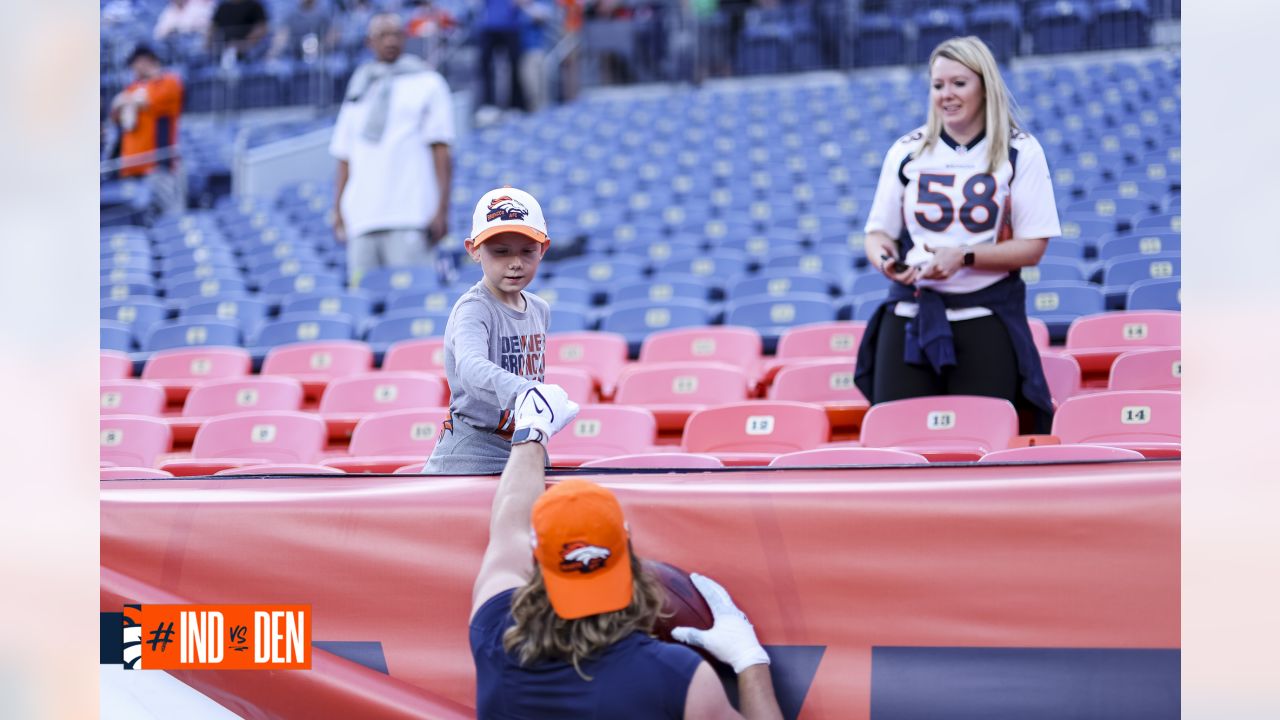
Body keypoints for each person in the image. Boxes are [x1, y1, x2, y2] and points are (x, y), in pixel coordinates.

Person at [470, 384, 784, 719]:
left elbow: (509, 525)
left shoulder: (495, 636)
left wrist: (532, 432)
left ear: (537, 560)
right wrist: (751, 662)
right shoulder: (675, 676)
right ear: (627, 543)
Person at [854, 36, 1060, 433]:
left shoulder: (1021, 150)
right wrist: (888, 263)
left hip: (985, 316)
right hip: (911, 316)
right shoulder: (906, 151)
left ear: (985, 84)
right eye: (937, 85)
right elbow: (878, 233)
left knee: (982, 440)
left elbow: (1033, 247)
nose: (946, 94)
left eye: (958, 83)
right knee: (897, 442)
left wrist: (963, 256)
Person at [424, 187, 554, 475]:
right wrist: (528, 392)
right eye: (501, 252)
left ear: (543, 249)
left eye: (527, 251)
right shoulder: (474, 307)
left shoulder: (539, 309)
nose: (515, 262)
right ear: (474, 250)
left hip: (522, 443)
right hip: (472, 452)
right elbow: (471, 369)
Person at [329, 13, 454, 288]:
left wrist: (441, 210)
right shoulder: (357, 91)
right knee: (364, 302)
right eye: (382, 35)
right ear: (369, 41)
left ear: (405, 38)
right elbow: (344, 157)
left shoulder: (428, 83)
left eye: (396, 34)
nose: (390, 41)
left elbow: (442, 150)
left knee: (413, 302)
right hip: (362, 218)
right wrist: (338, 210)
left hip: (409, 213)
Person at [109, 45, 185, 216]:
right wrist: (126, 101)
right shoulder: (133, 87)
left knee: (169, 213)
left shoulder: (169, 82)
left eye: (138, 63)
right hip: (132, 165)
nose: (135, 69)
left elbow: (148, 100)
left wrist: (129, 100)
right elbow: (116, 113)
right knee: (137, 219)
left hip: (158, 162)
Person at [476, 0, 528, 117]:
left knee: (515, 67)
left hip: (511, 26)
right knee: (485, 68)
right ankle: (488, 105)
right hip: (488, 25)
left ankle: (515, 106)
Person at [271, 0, 337, 60]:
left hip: (320, 54)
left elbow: (332, 34)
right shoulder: (290, 13)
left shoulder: (324, 12)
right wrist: (273, 53)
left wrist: (322, 47)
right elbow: (282, 36)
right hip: (295, 55)